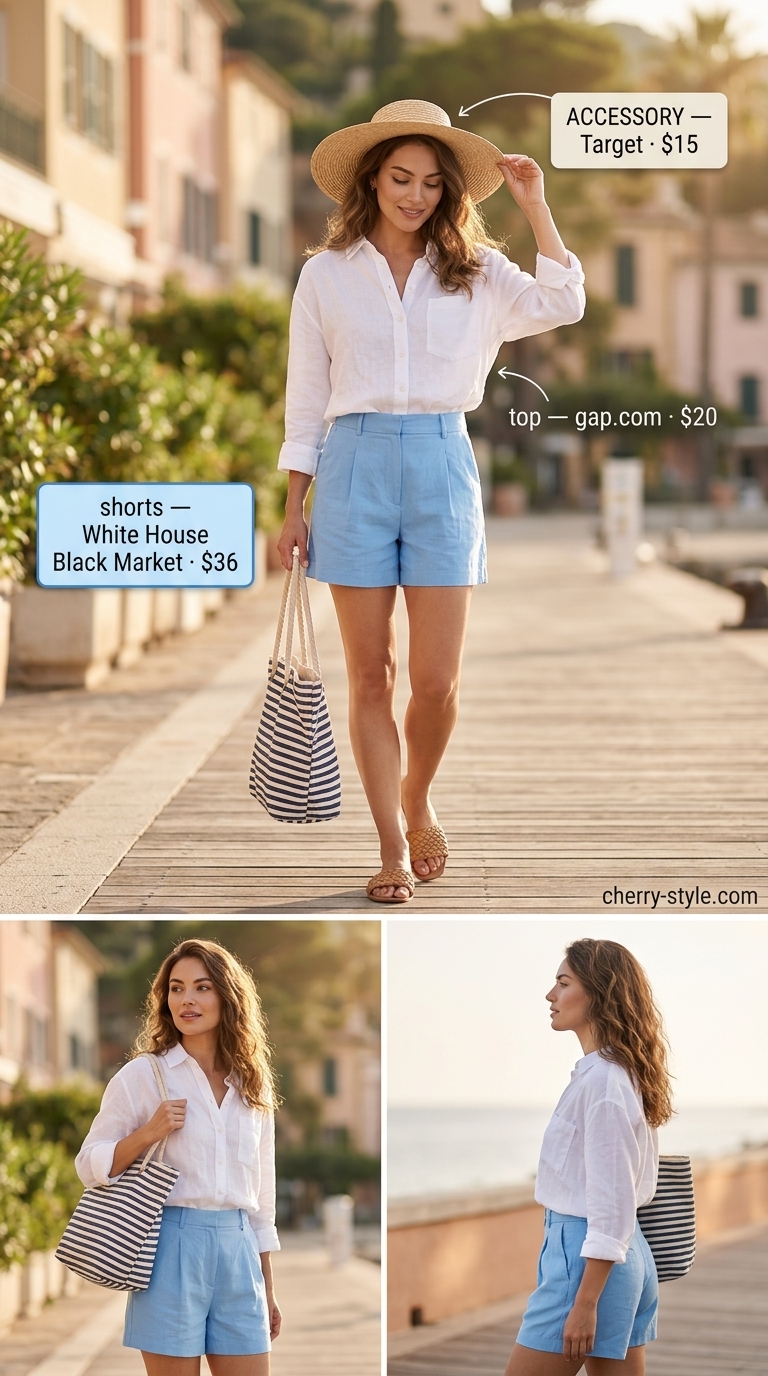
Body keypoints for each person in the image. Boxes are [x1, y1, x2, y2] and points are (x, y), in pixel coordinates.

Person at [276, 99, 585, 904]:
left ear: (450, 191)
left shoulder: (479, 272)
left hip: (444, 462)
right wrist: (292, 504)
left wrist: (535, 206)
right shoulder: (326, 274)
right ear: (372, 179)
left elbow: (565, 301)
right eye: (400, 177)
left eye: (430, 182)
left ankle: (417, 796)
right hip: (352, 467)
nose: (414, 194)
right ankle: (388, 847)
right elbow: (306, 397)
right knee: (370, 674)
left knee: (438, 680)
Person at [76, 938, 281, 1376]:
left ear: (228, 997)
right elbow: (88, 1164)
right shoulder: (142, 1075)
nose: (186, 999)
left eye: (202, 987)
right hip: (170, 1249)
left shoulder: (253, 1085)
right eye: (176, 988)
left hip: (239, 1252)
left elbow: (262, 1197)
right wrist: (148, 1133)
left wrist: (268, 1286)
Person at [504, 938, 673, 1376]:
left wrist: (583, 1304)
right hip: (624, 1257)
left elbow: (611, 1203)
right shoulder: (617, 1075)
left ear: (599, 993)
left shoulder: (604, 1084)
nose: (550, 995)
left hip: (588, 1265)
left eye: (563, 983)